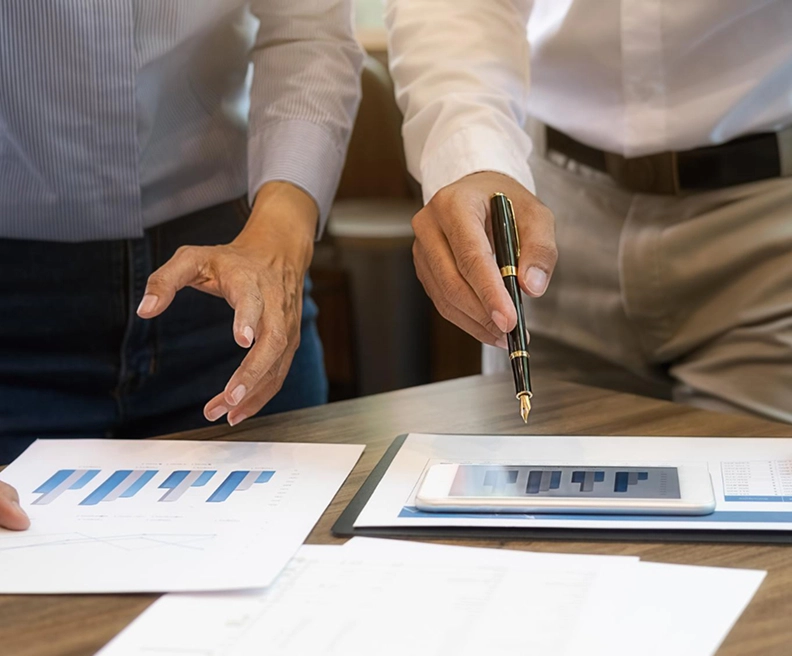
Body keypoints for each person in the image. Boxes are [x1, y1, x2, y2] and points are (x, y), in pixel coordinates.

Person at [0, 1, 363, 529]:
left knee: (289, 575)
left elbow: (308, 30)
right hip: (13, 317)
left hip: (230, 287)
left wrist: (278, 243)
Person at [387, 1, 792, 418]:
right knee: (531, 470)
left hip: (769, 225)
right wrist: (471, 156)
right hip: (548, 209)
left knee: (754, 477)